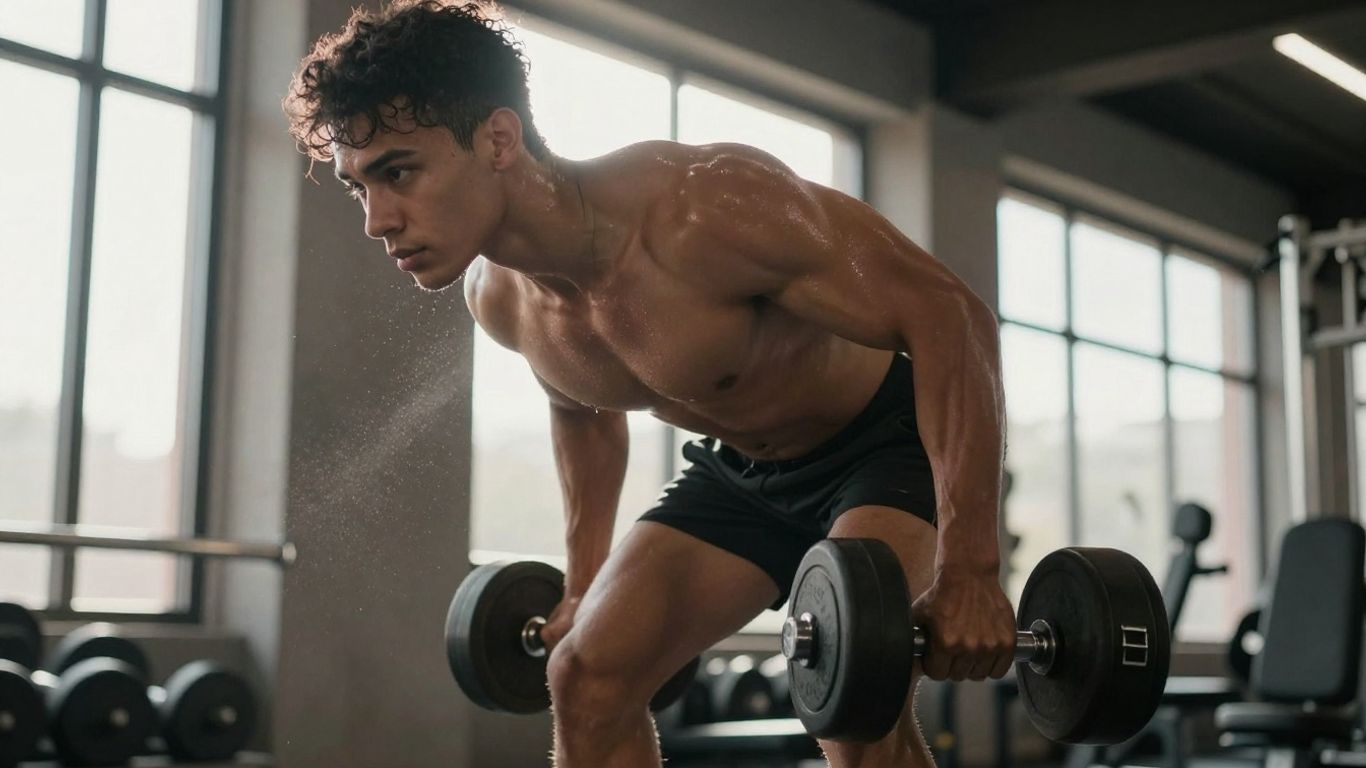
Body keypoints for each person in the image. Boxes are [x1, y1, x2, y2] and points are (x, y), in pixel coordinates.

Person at [284, 2, 1016, 766]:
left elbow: (949, 318)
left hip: (882, 444)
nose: (377, 220)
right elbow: (582, 411)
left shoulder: (704, 209)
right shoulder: (500, 300)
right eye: (358, 187)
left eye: (398, 172)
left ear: (499, 139)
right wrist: (584, 582)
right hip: (743, 475)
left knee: (846, 692)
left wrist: (972, 566)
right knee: (585, 676)